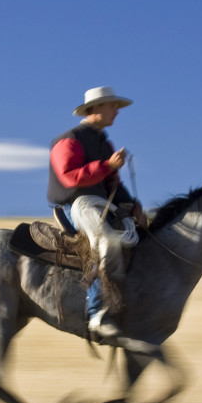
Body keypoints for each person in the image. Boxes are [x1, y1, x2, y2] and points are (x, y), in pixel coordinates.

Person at [47, 86, 147, 341]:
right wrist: (106, 165)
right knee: (106, 241)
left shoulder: (105, 143)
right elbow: (70, 177)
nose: (116, 112)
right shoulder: (69, 139)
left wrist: (135, 207)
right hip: (78, 205)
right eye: (112, 106)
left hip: (103, 205)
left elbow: (113, 184)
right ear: (96, 108)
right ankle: (97, 313)